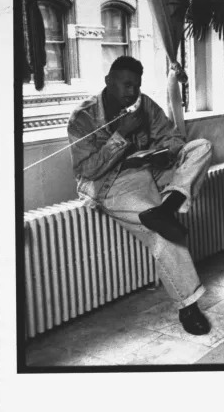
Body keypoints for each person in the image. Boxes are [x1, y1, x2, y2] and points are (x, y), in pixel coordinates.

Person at [67, 56, 214, 335]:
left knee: (201, 147)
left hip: (151, 172)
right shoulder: (83, 118)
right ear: (108, 81)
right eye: (126, 85)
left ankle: (167, 206)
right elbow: (88, 170)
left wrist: (164, 153)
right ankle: (188, 307)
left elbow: (173, 138)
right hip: (113, 183)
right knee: (162, 232)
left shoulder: (143, 104)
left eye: (136, 85)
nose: (132, 92)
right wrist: (121, 135)